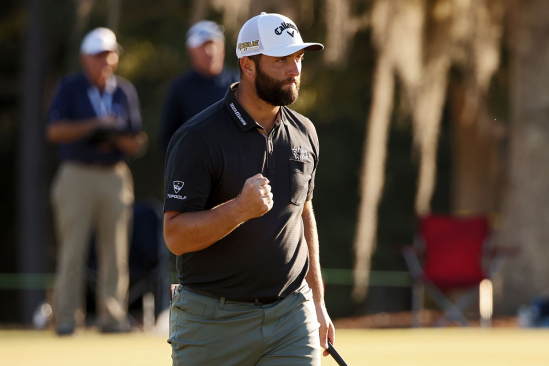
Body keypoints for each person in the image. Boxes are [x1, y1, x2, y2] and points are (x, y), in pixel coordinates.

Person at [164, 12, 334, 365]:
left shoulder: (305, 132)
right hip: (212, 323)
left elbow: (303, 213)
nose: (295, 69)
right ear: (248, 66)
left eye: (298, 57)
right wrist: (238, 210)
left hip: (291, 317)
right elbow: (175, 236)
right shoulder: (198, 138)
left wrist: (317, 302)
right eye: (281, 59)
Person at [46, 27, 148, 335]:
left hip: (114, 174)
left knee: (115, 251)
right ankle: (66, 318)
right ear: (84, 58)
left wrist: (118, 138)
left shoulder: (124, 90)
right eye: (98, 55)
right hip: (76, 173)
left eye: (109, 54)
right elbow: (54, 131)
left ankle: (112, 317)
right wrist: (94, 126)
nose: (105, 60)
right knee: (72, 249)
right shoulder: (70, 87)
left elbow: (138, 139)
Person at [159, 20, 239, 153]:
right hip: (194, 168)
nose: (210, 51)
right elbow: (168, 137)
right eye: (203, 46)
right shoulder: (180, 87)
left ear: (222, 47)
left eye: (213, 44)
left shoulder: (239, 83)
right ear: (191, 51)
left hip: (237, 165)